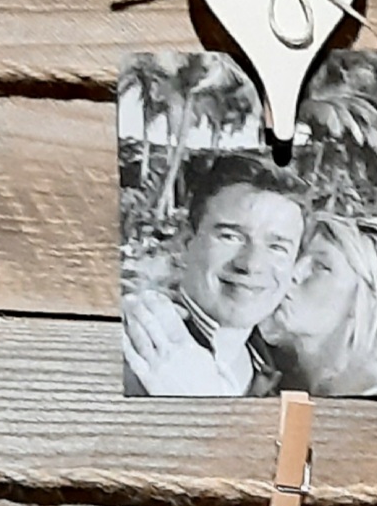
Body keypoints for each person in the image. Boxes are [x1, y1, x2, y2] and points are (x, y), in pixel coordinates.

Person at [120, 153, 305, 395]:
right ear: (186, 242)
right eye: (230, 236)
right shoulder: (131, 352)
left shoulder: (287, 370)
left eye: (277, 247)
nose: (251, 264)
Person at [251, 215, 377, 397]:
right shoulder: (262, 364)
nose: (293, 273)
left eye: (320, 266)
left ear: (363, 300)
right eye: (296, 257)